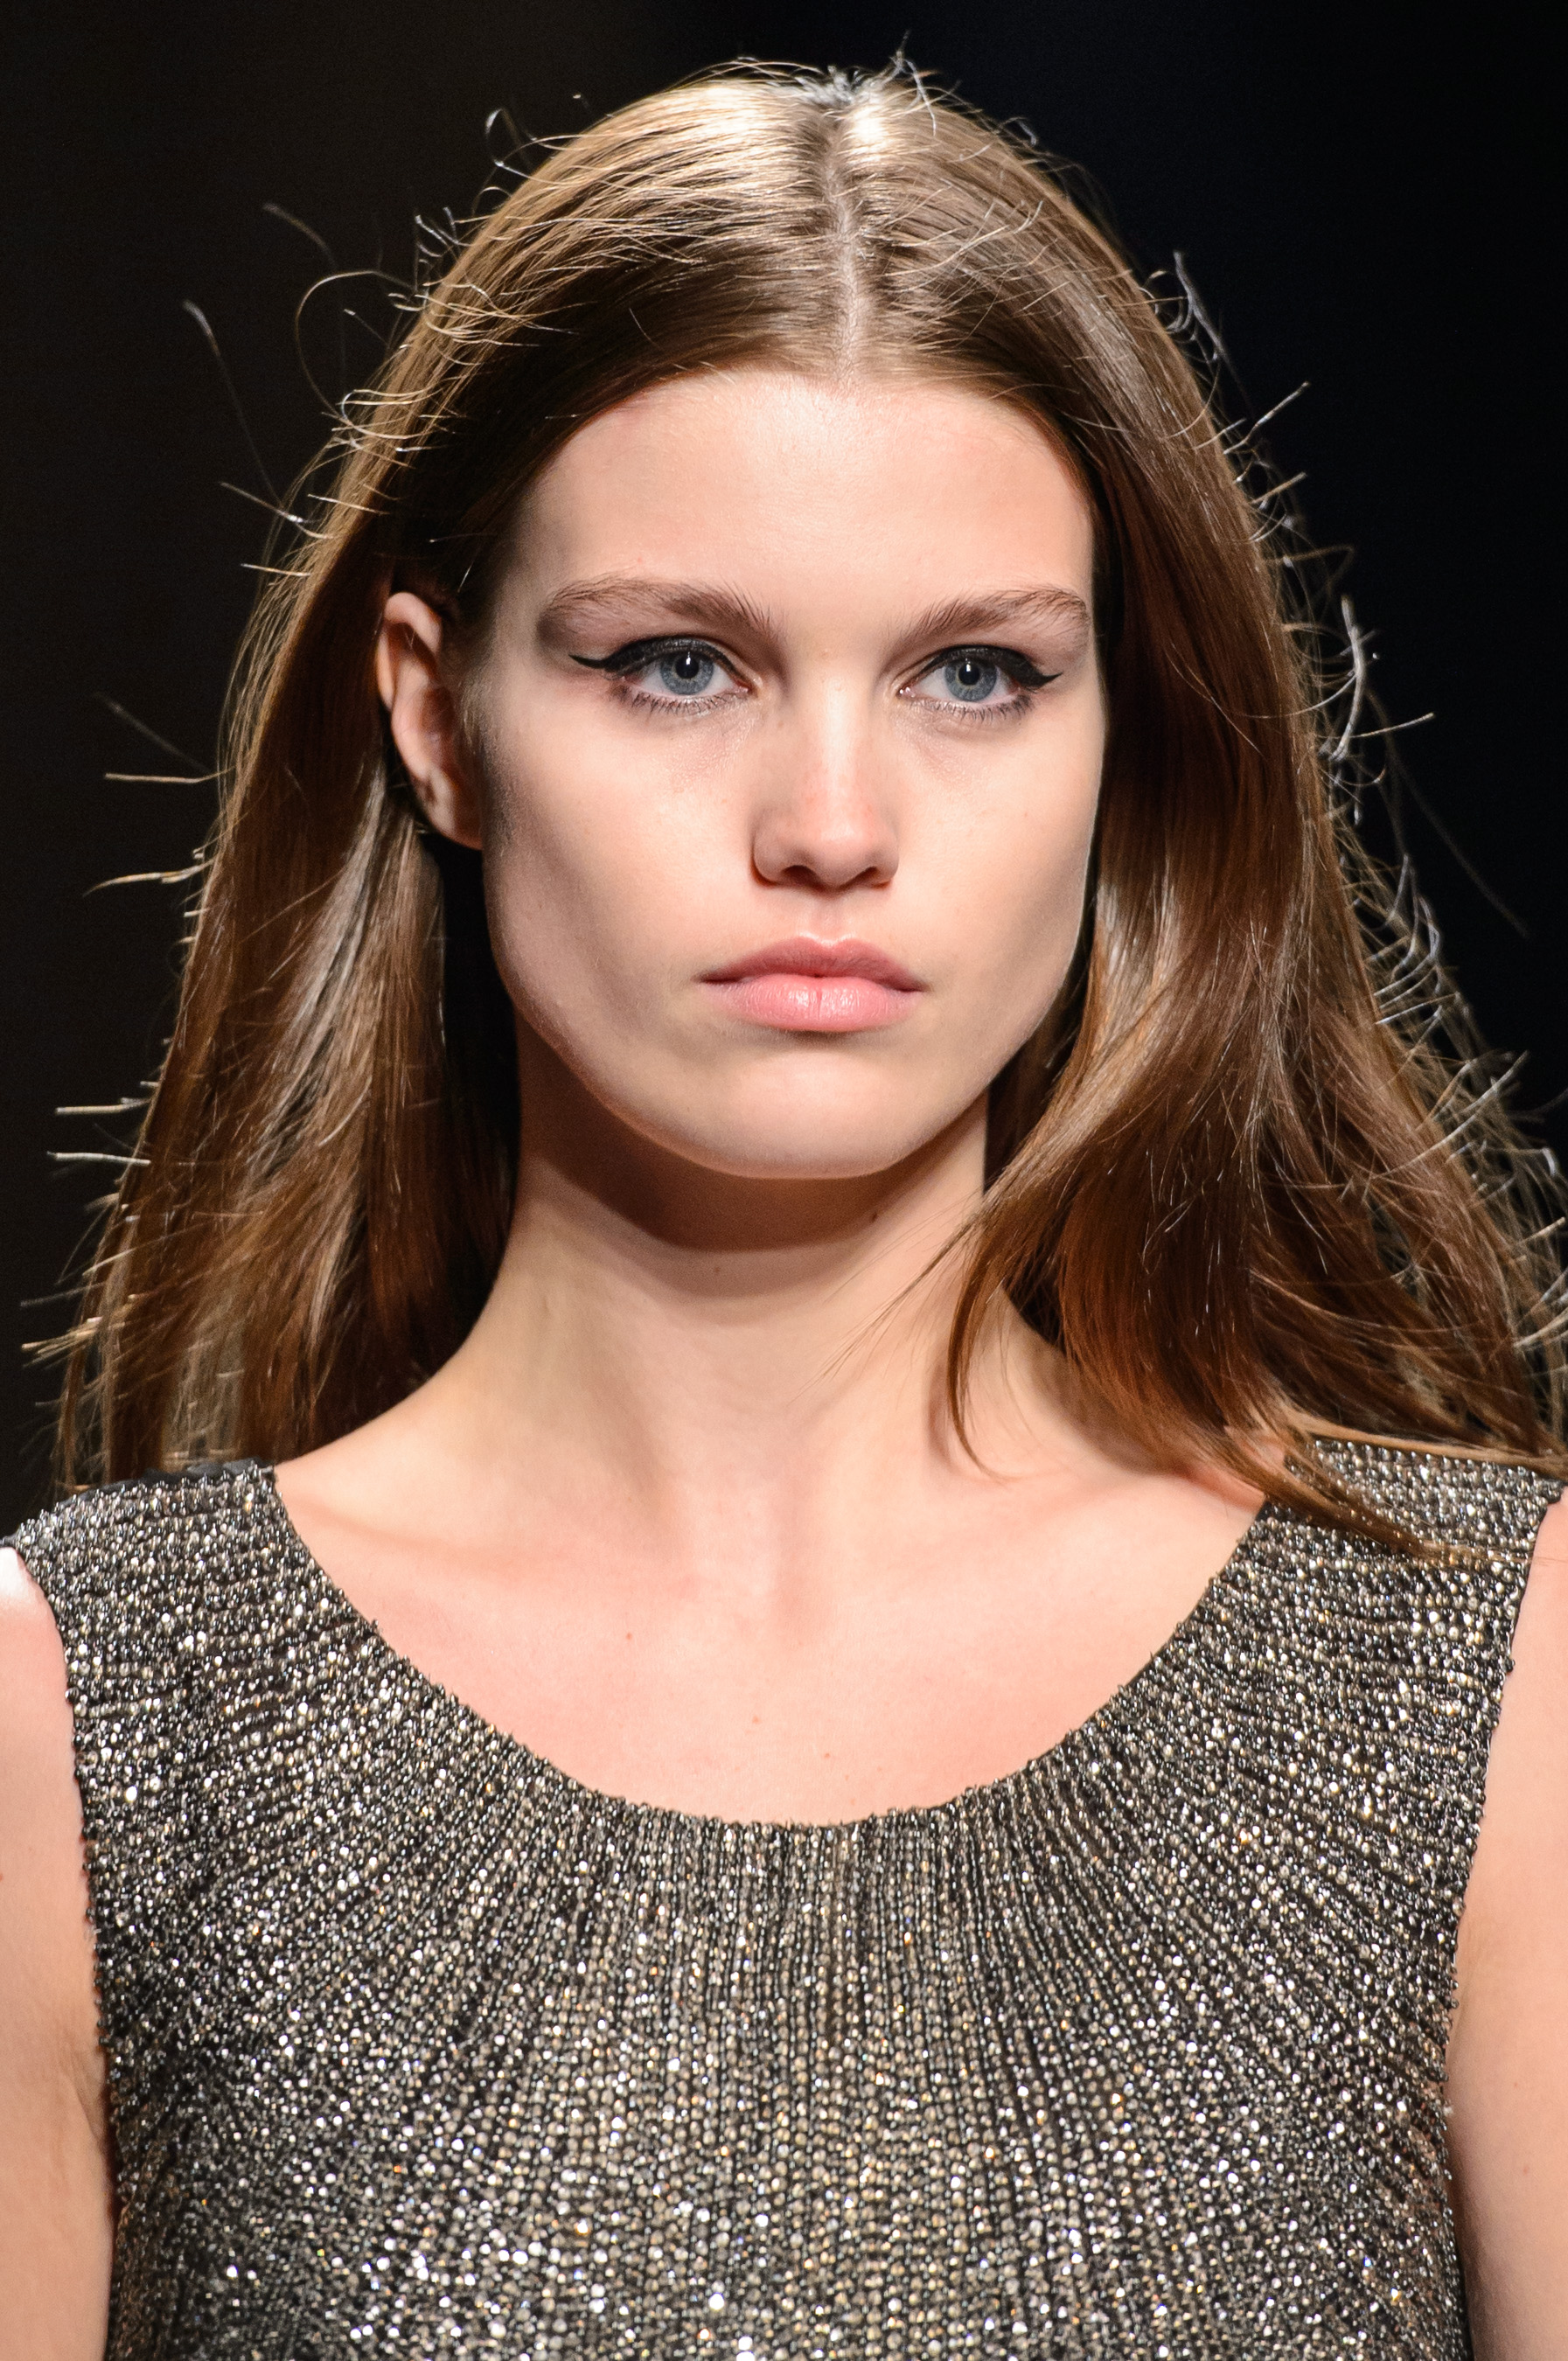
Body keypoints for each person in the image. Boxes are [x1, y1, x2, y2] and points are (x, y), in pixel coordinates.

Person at [1, 61, 1564, 2360]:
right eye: (677, 665)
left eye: (974, 675)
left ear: (1124, 737)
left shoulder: (1484, 1688)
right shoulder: (86, 1725)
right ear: (436, 718)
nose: (830, 823)